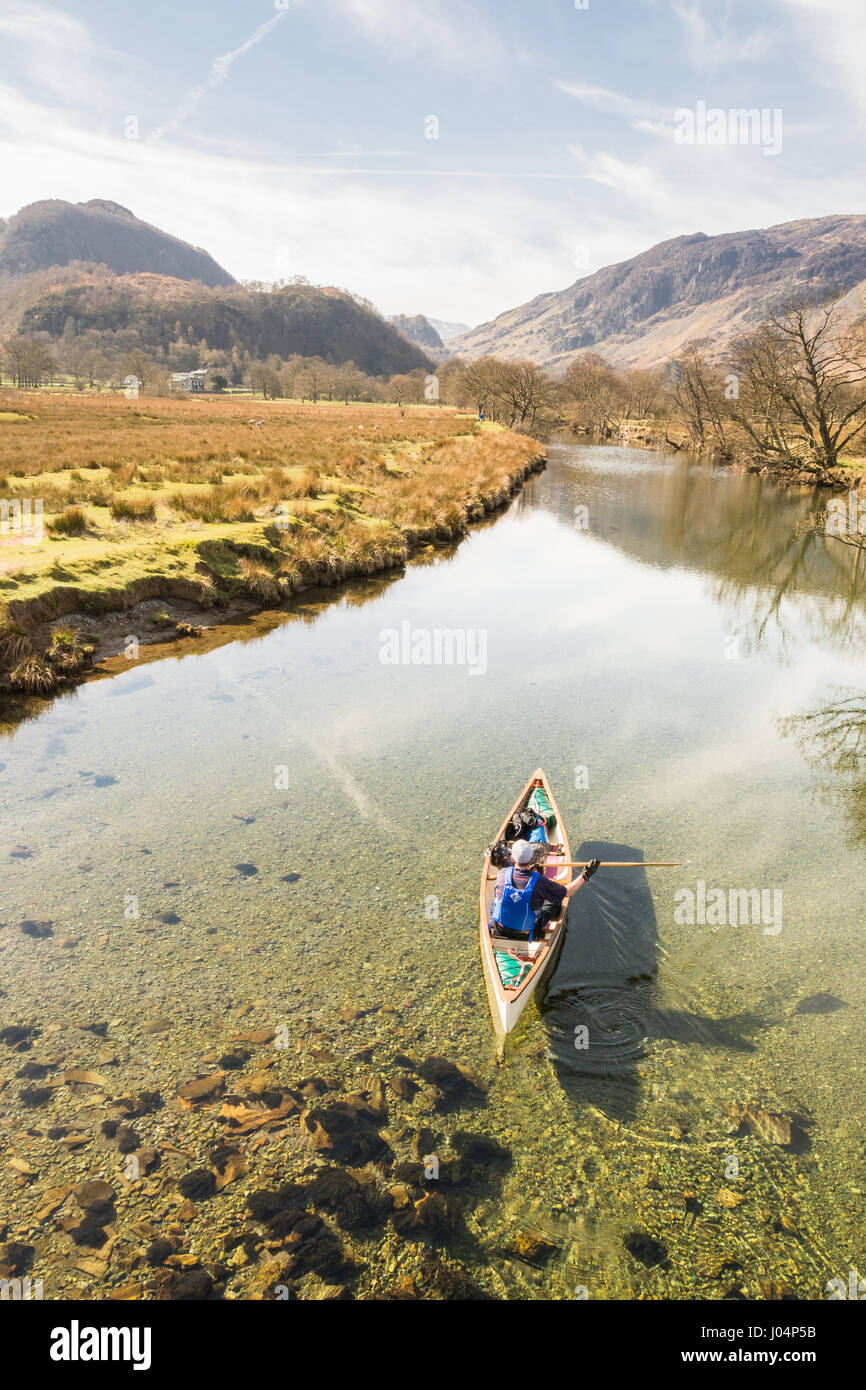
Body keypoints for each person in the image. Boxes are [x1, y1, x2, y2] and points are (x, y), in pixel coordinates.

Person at [490, 839, 600, 942]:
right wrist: (585, 875)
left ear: (513, 859)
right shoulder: (540, 882)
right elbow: (567, 892)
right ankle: (547, 924)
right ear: (532, 857)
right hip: (528, 933)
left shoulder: (502, 874)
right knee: (555, 900)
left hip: (501, 929)